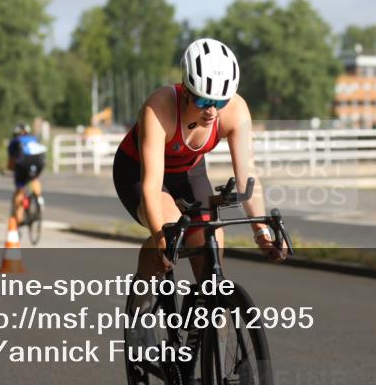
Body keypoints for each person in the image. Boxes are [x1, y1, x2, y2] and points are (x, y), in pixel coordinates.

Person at [114, 38, 286, 289]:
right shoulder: (159, 107)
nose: (212, 112)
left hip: (189, 171)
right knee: (171, 229)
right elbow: (152, 187)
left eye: (220, 102)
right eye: (204, 102)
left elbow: (247, 178)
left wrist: (261, 231)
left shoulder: (236, 110)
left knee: (210, 237)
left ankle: (211, 315)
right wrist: (161, 242)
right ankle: (141, 303)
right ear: (185, 90)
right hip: (138, 172)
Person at [7, 123, 47, 224]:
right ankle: (39, 199)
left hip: (24, 162)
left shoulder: (15, 141)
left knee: (20, 189)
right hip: (39, 161)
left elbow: (11, 162)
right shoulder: (34, 138)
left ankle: (19, 219)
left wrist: (11, 169)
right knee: (34, 178)